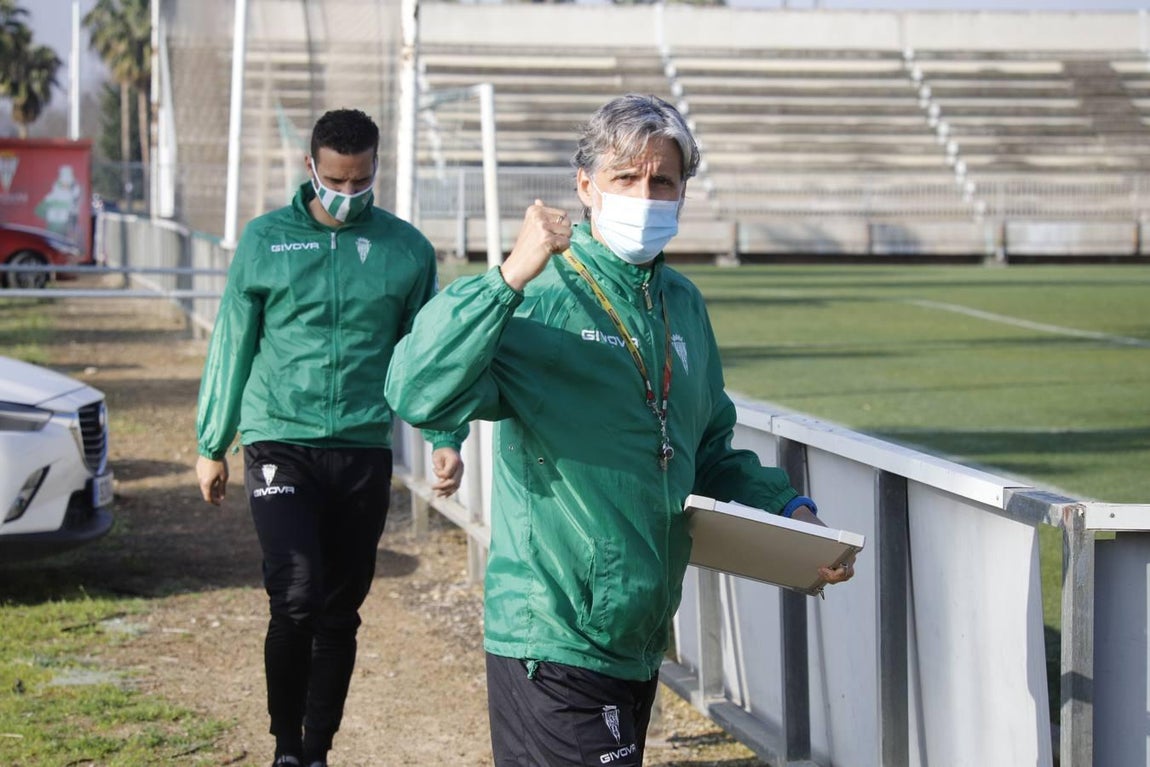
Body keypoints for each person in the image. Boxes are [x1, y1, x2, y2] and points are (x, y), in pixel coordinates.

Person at [384, 93, 855, 767]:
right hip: (551, 628)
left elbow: (709, 448)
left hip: (637, 628)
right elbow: (414, 387)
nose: (645, 194)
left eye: (662, 180)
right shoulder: (543, 292)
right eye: (625, 177)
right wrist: (509, 274)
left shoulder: (682, 303)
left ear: (683, 190)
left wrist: (790, 510)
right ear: (585, 185)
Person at [194, 108, 467, 767]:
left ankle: (317, 749)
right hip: (277, 438)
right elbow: (234, 341)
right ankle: (285, 746)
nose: (350, 193)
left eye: (363, 179)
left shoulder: (406, 250)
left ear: (376, 169)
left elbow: (424, 354)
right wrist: (212, 441)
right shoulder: (264, 241)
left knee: (340, 609)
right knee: (296, 590)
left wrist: (442, 434)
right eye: (337, 180)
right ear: (310, 168)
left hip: (362, 445)